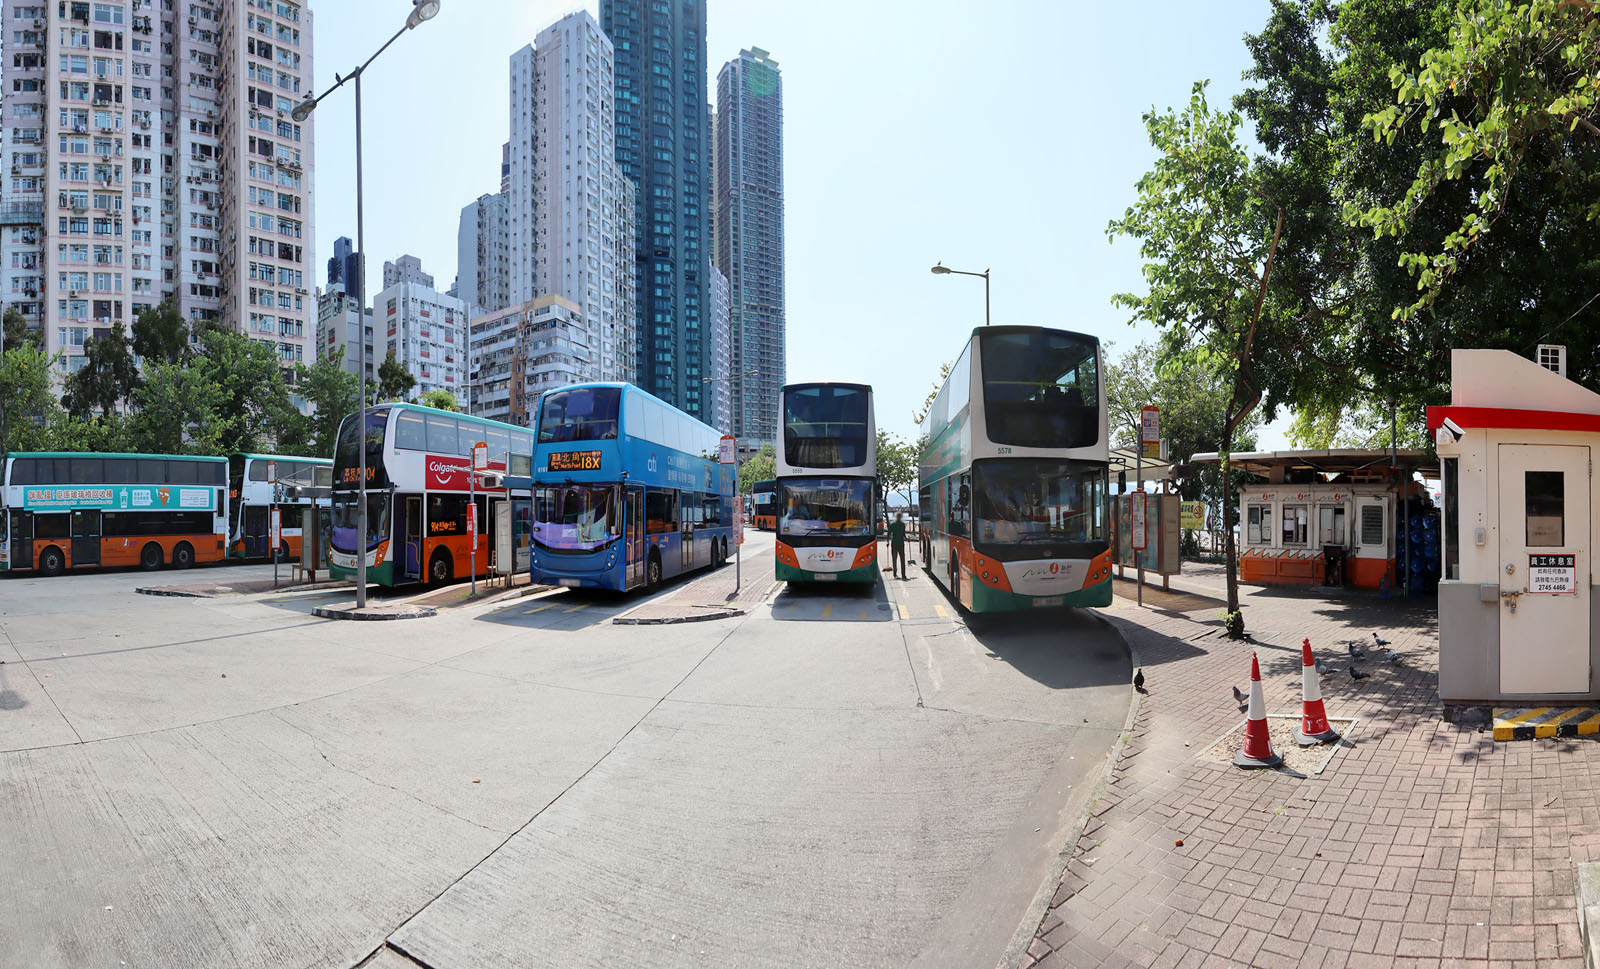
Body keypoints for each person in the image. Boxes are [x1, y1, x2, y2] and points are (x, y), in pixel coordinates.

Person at [889, 511, 907, 579]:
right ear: (896, 517)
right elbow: (889, 533)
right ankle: (895, 573)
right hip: (894, 544)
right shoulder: (893, 524)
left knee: (903, 560)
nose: (899, 517)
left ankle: (903, 574)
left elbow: (903, 534)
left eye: (900, 516)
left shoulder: (903, 524)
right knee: (894, 559)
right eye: (898, 516)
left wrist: (907, 538)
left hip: (901, 544)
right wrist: (887, 541)